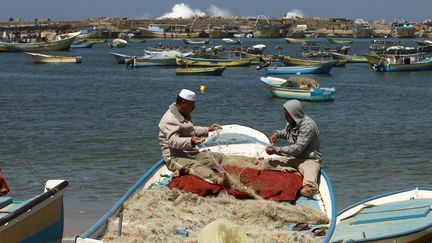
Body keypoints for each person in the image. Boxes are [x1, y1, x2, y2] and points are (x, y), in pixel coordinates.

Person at [158, 89, 227, 186]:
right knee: (194, 165)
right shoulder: (170, 119)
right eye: (192, 104)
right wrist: (191, 141)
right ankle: (216, 179)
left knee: (217, 157)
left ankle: (184, 170)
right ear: (183, 103)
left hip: (190, 153)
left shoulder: (184, 114)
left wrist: (208, 129)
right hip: (174, 157)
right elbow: (173, 141)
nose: (194, 107)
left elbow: (191, 129)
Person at [263, 100, 322, 198]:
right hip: (294, 158)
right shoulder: (291, 122)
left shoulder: (309, 126)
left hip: (309, 159)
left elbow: (298, 148)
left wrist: (276, 150)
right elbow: (286, 133)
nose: (285, 118)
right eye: (285, 115)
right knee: (268, 163)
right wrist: (276, 134)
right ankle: (295, 172)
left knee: (311, 169)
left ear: (294, 114)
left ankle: (308, 187)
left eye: (287, 116)